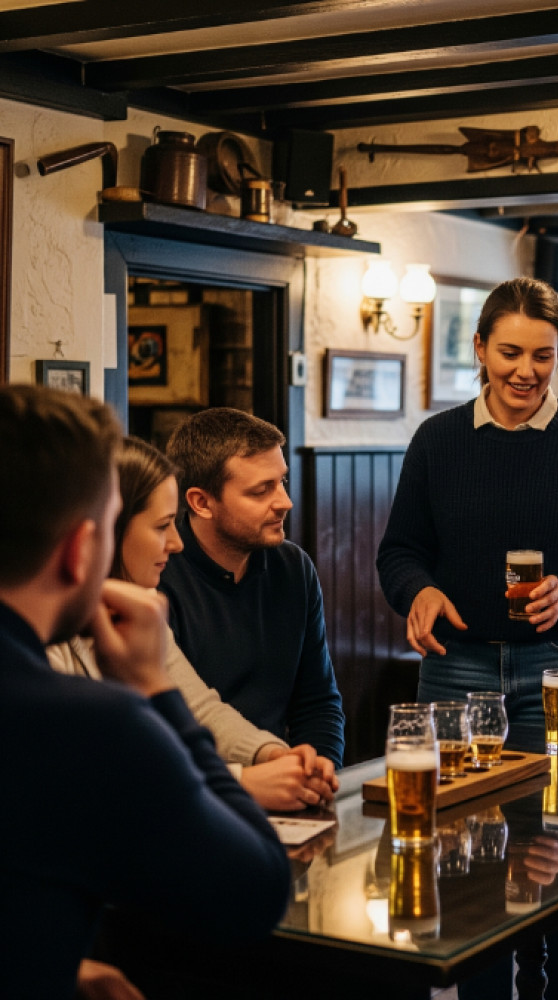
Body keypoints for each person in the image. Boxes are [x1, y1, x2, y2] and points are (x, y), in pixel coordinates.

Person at [377, 276, 558, 1000]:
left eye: (542, 354)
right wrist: (419, 590)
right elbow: (399, 551)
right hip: (456, 671)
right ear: (479, 350)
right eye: (509, 353)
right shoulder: (438, 440)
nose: (525, 370)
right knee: (468, 870)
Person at [0, 385, 290, 1000]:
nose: (175, 543)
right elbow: (253, 892)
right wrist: (152, 690)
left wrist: (56, 965)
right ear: (83, 550)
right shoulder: (89, 725)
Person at [48, 436, 335, 812]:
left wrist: (276, 757)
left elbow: (201, 711)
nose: (176, 542)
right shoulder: (41, 637)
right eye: (162, 526)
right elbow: (82, 776)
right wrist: (240, 782)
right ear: (103, 532)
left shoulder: (132, 610)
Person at [159, 407, 346, 771]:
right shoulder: (158, 575)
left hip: (285, 775)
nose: (285, 502)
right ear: (201, 502)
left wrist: (320, 773)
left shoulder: (292, 567)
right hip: (198, 787)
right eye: (261, 491)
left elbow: (318, 702)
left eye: (282, 482)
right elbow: (177, 722)